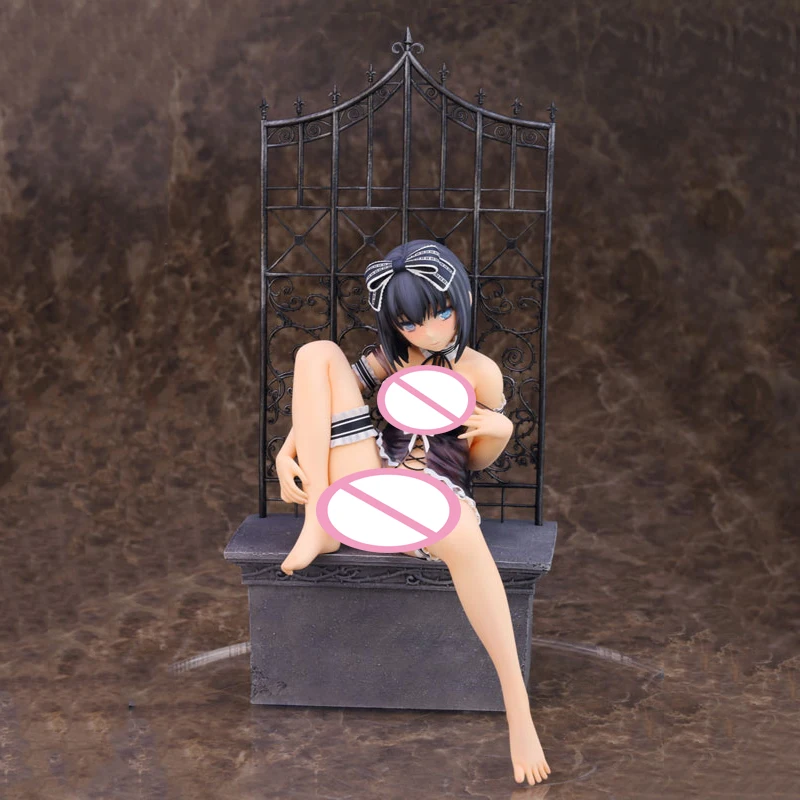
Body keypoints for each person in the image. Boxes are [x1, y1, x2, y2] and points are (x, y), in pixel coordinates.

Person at [275, 239, 551, 786]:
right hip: (370, 481)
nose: (428, 332)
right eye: (409, 323)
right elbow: (322, 398)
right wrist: (288, 453)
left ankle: (518, 712)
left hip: (436, 494)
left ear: (460, 301)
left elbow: (476, 459)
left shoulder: (479, 372)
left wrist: (500, 430)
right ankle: (319, 523)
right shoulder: (389, 360)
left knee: (468, 545)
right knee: (316, 353)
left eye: (441, 314)